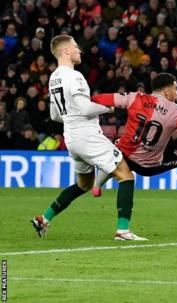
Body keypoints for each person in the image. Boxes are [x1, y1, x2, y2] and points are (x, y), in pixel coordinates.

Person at [31, 35, 144, 241]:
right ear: (66, 51)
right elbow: (85, 108)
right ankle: (123, 231)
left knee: (84, 184)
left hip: (72, 138)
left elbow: (55, 115)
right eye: (76, 47)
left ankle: (43, 219)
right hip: (87, 135)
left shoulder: (54, 78)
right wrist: (110, 106)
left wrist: (74, 117)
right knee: (125, 175)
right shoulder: (75, 77)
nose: (79, 51)